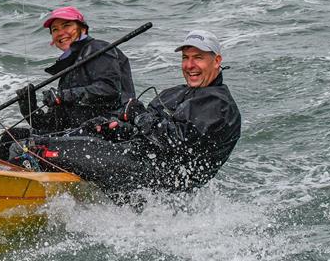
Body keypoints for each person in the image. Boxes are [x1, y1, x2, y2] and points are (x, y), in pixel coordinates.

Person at [24, 29, 241, 195]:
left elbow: (174, 142)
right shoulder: (173, 93)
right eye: (185, 58)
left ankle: (20, 193)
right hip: (138, 159)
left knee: (39, 148)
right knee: (25, 139)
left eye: (198, 57)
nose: (190, 65)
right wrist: (116, 128)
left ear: (217, 61)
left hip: (162, 180)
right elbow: (144, 131)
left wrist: (138, 115)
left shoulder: (219, 104)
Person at [0, 7, 134, 159]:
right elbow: (53, 125)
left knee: (20, 147)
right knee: (10, 137)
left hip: (105, 133)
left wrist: (64, 95)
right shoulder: (70, 69)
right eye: (55, 29)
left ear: (83, 29)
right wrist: (28, 106)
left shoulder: (97, 48)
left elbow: (109, 90)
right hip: (76, 135)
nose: (60, 32)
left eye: (66, 25)